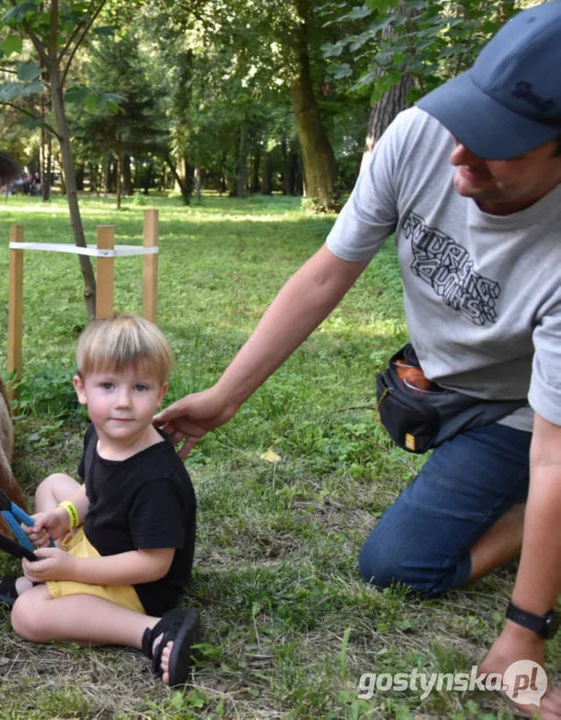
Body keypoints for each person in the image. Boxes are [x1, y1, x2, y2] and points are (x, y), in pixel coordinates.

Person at [155, 3, 561, 715]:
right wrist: (224, 397)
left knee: (399, 567)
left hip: (525, 413)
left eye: (499, 142)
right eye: (466, 121)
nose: (459, 156)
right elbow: (324, 274)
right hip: (443, 386)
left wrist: (524, 632)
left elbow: (552, 455)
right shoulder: (420, 137)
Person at [0, 314, 199, 686]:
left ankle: (151, 632)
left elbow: (153, 565)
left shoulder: (157, 478)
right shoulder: (100, 434)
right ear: (81, 389)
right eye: (107, 385)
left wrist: (71, 569)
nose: (122, 403)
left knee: (27, 616)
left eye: (140, 388)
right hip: (101, 542)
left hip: (135, 582)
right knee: (53, 485)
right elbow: (92, 491)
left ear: (161, 393)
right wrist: (66, 515)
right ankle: (54, 583)